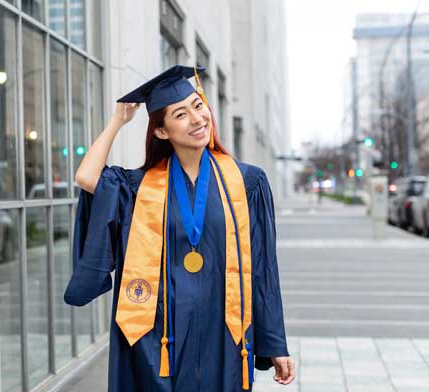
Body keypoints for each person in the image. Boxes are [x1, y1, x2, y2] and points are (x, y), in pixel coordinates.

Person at [64, 65, 295, 391]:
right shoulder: (137, 188)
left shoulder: (248, 183)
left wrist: (275, 343)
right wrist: (117, 121)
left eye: (198, 106)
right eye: (181, 114)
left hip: (224, 333)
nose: (197, 119)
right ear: (162, 131)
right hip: (158, 336)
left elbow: (263, 269)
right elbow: (87, 178)